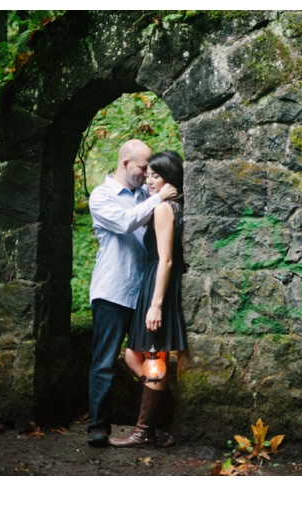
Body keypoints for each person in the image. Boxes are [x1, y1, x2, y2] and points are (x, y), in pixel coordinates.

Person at [87, 139, 177, 447]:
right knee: (105, 361)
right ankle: (98, 428)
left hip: (143, 293)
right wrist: (158, 199)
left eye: (152, 170)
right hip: (112, 291)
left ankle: (151, 426)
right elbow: (126, 223)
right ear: (126, 163)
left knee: (148, 359)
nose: (147, 174)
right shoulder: (101, 196)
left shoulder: (145, 193)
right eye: (142, 168)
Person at [110, 151, 188, 447]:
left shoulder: (165, 209)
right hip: (154, 281)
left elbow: (166, 260)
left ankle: (144, 431)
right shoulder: (173, 204)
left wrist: (156, 304)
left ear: (169, 177)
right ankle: (162, 422)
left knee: (153, 357)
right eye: (149, 174)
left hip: (160, 283)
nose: (149, 180)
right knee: (135, 356)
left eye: (156, 175)